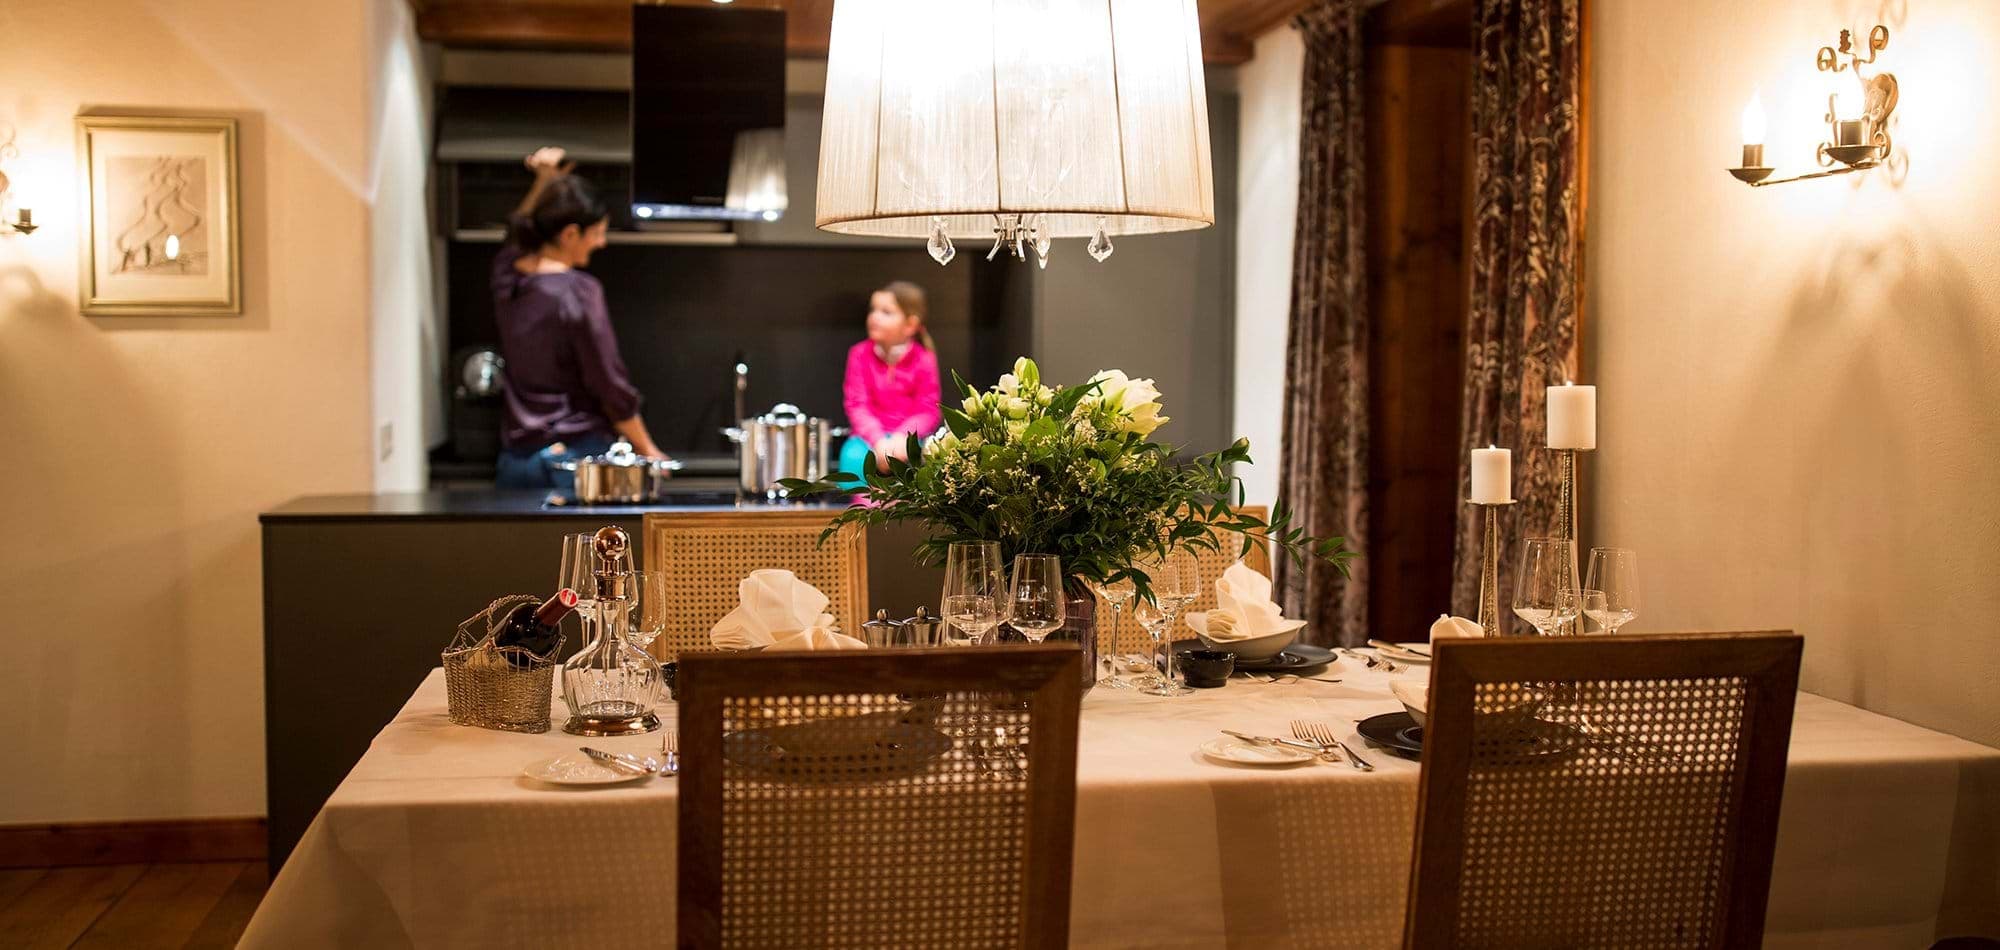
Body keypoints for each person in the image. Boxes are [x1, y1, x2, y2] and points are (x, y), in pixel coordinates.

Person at [490, 148, 668, 490]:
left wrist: (544, 182)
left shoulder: (507, 278)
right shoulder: (578, 291)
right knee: (585, 546)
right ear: (570, 234)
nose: (601, 243)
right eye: (597, 233)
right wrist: (647, 449)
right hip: (574, 459)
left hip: (516, 462)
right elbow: (607, 380)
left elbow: (517, 233)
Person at [838, 281, 942, 481]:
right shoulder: (859, 354)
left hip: (908, 438)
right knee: (852, 457)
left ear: (910, 324)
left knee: (927, 461)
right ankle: (860, 511)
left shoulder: (924, 358)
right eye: (873, 309)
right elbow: (857, 405)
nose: (874, 317)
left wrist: (903, 437)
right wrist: (878, 441)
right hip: (868, 439)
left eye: (886, 312)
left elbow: (928, 409)